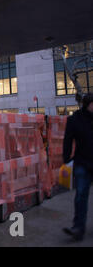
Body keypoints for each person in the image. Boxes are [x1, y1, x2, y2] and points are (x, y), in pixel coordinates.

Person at [62, 93, 93, 241]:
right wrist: (66, 160)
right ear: (88, 104)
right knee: (81, 195)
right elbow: (67, 140)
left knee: (81, 194)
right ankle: (78, 227)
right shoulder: (75, 120)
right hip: (82, 162)